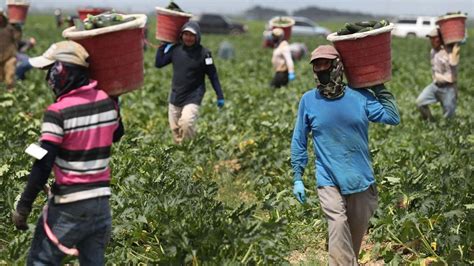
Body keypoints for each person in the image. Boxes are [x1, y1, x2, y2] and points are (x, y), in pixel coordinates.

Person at [11, 41, 124, 264]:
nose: (48, 80)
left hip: (69, 205)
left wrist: (24, 206)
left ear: (62, 71)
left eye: (50, 72)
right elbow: (117, 133)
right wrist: (114, 98)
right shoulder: (106, 102)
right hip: (100, 204)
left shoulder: (58, 112)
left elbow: (43, 163)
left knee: (40, 261)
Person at [290, 45, 400, 265]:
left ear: (337, 66)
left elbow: (392, 116)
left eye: (325, 64)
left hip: (360, 178)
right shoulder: (309, 101)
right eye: (316, 65)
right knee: (338, 224)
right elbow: (299, 139)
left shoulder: (360, 96)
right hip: (328, 178)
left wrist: (378, 86)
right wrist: (297, 177)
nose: (321, 70)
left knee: (354, 238)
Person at [155, 21, 225, 144]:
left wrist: (220, 95)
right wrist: (162, 47)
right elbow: (159, 64)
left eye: (192, 35)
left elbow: (213, 75)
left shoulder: (204, 54)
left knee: (186, 122)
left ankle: (188, 148)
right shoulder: (175, 50)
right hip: (176, 94)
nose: (188, 38)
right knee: (175, 128)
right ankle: (180, 150)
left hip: (194, 94)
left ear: (197, 36)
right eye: (186, 34)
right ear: (181, 35)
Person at [416, 28, 461, 121]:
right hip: (435, 86)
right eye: (430, 39)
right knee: (420, 102)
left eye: (434, 38)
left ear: (440, 39)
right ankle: (430, 122)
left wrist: (455, 49)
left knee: (449, 115)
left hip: (449, 88)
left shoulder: (450, 51)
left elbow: (454, 63)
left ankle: (447, 131)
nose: (431, 41)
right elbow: (434, 68)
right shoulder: (432, 51)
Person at [0, 10, 21, 91]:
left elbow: (18, 38)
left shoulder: (10, 27)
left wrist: (18, 27)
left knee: (10, 78)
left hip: (9, 56)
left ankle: (11, 94)